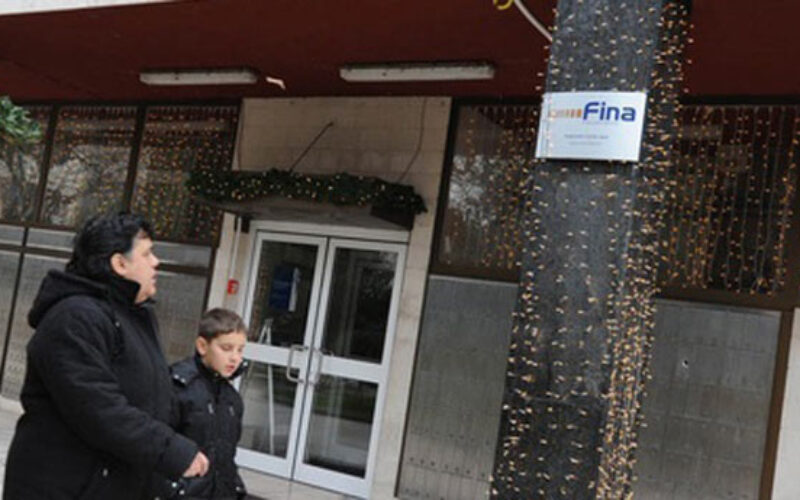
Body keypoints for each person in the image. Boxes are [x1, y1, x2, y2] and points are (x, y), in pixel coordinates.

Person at [3, 213, 208, 500]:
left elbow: (154, 398)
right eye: (146, 253)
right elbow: (97, 407)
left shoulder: (135, 317)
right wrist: (170, 450)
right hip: (67, 486)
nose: (156, 262)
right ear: (119, 263)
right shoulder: (75, 317)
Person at [167, 308, 248, 500]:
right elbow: (159, 445)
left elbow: (226, 454)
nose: (235, 358)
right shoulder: (178, 387)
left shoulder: (231, 399)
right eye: (226, 348)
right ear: (202, 346)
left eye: (240, 350)